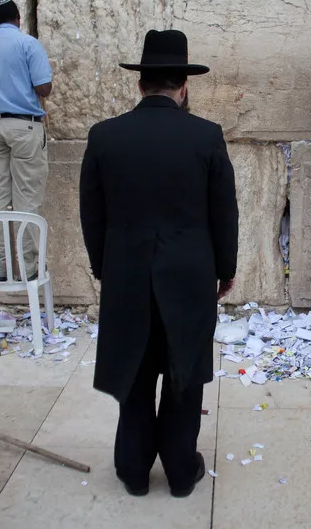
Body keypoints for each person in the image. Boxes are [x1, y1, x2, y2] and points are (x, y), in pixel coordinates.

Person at [79, 29, 239, 498]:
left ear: (140, 83)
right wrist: (225, 269)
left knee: (133, 370)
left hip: (126, 275)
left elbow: (92, 212)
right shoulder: (206, 136)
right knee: (183, 373)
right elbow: (223, 211)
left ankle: (132, 470)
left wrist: (103, 267)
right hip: (189, 276)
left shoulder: (105, 136)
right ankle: (179, 470)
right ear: (183, 86)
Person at [0, 0, 53, 278]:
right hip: (23, 126)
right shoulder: (27, 43)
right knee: (27, 201)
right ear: (18, 17)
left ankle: (1, 267)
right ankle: (30, 270)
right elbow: (44, 88)